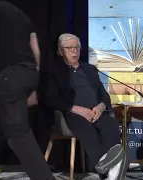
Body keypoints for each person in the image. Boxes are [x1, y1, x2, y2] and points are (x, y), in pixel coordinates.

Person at [0, 0, 55, 180]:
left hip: (10, 76)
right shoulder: (21, 15)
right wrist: (32, 87)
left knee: (17, 133)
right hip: (28, 73)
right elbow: (36, 51)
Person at [44, 33, 129, 179]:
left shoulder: (89, 69)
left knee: (110, 125)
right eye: (69, 48)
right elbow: (50, 98)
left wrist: (101, 107)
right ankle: (107, 173)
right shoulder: (55, 71)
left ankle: (109, 170)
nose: (74, 50)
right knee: (88, 132)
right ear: (60, 51)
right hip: (73, 114)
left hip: (96, 112)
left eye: (77, 47)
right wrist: (77, 109)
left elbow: (104, 94)